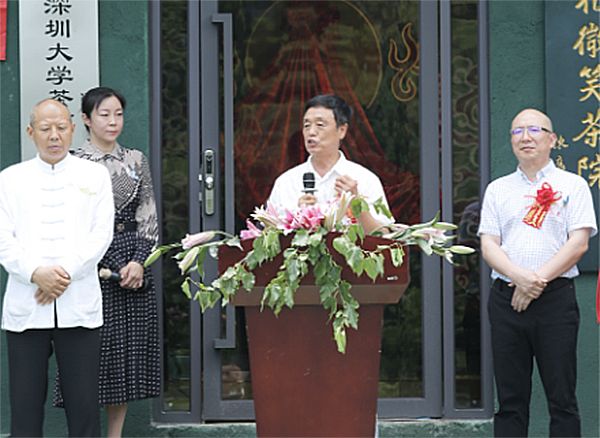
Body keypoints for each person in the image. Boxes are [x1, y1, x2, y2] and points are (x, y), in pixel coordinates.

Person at [478, 108, 597, 437]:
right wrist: (519, 278)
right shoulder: (497, 189)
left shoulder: (572, 185)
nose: (525, 137)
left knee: (562, 399)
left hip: (555, 302)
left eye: (534, 130)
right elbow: (489, 245)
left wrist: (534, 282)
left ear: (552, 139)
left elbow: (578, 244)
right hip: (506, 302)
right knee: (511, 401)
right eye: (517, 132)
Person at [0, 98, 114, 437]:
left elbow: (100, 235)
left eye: (61, 128)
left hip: (78, 302)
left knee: (84, 408)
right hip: (27, 303)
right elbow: (3, 238)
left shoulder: (94, 175)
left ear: (73, 129)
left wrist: (62, 273)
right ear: (31, 132)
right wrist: (35, 273)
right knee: (24, 407)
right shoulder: (10, 179)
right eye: (46, 129)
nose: (54, 136)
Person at [53, 87, 160, 437]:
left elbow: (148, 216)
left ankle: (115, 435)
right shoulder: (71, 163)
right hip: (90, 265)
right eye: (104, 114)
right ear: (85, 119)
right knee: (91, 353)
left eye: (118, 114)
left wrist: (140, 261)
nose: (113, 121)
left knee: (126, 358)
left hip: (131, 261)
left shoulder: (136, 160)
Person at [268, 94, 393, 232]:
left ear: (342, 130)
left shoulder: (365, 179)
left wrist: (356, 205)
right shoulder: (286, 183)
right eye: (306, 125)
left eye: (320, 125)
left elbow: (384, 237)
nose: (311, 132)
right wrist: (294, 221)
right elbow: (266, 239)